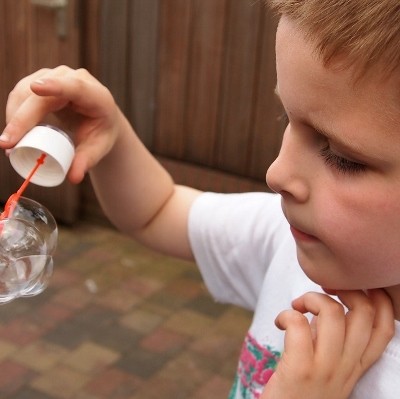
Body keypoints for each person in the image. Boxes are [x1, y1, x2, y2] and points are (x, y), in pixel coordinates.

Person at [1, 0, 398, 397]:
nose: (277, 173)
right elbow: (157, 211)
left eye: (342, 158)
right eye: (286, 119)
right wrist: (112, 133)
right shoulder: (285, 237)